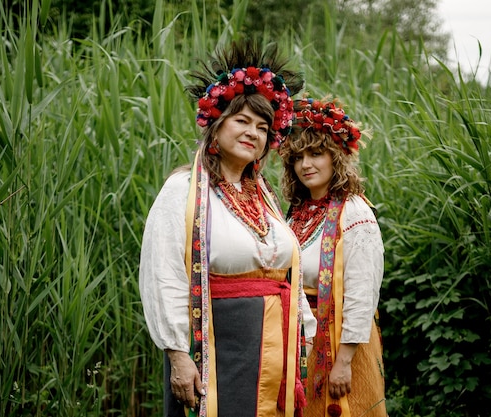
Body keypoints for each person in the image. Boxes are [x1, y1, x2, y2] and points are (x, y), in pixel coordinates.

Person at [139, 41, 317, 417]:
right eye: (242, 121)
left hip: (275, 346)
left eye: (263, 127)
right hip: (221, 347)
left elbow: (289, 274)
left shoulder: (264, 198)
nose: (254, 132)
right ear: (217, 124)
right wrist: (177, 354)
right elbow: (165, 274)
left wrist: (306, 331)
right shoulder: (183, 191)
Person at [280, 97, 387, 417]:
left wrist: (343, 362)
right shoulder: (295, 214)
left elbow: (362, 293)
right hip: (299, 340)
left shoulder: (354, 213)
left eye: (316, 153)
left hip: (341, 344)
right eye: (297, 157)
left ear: (335, 157)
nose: (306, 165)